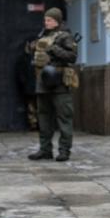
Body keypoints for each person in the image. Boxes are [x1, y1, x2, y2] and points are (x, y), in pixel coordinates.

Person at [26, 8, 78, 162]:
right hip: (43, 82)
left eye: (49, 20)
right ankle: (45, 150)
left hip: (59, 83)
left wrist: (53, 48)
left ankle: (64, 151)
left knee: (64, 118)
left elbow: (72, 56)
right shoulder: (43, 35)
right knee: (43, 118)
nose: (46, 22)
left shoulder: (65, 36)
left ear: (57, 21)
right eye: (45, 20)